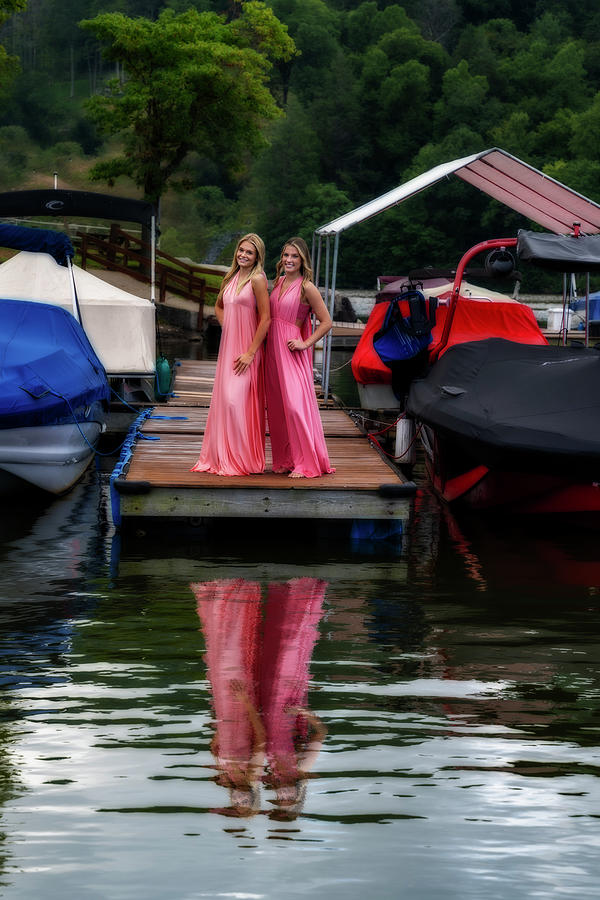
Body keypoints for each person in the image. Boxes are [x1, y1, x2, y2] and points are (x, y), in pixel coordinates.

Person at [191, 233, 270, 475]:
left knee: (237, 401)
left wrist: (250, 353)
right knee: (225, 401)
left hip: (248, 349)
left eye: (249, 252)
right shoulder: (231, 277)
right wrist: (229, 326)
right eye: (241, 250)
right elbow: (218, 305)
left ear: (257, 256)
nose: (243, 255)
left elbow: (266, 318)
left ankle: (240, 460)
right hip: (229, 346)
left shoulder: (257, 280)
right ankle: (221, 457)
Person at [265, 236, 335, 477]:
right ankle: (286, 460)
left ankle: (307, 462)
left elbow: (326, 322)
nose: (289, 260)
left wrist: (306, 343)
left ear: (303, 259)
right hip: (272, 351)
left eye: (295, 256)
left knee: (295, 406)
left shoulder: (307, 287)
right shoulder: (278, 281)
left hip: (291, 349)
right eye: (286, 255)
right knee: (277, 407)